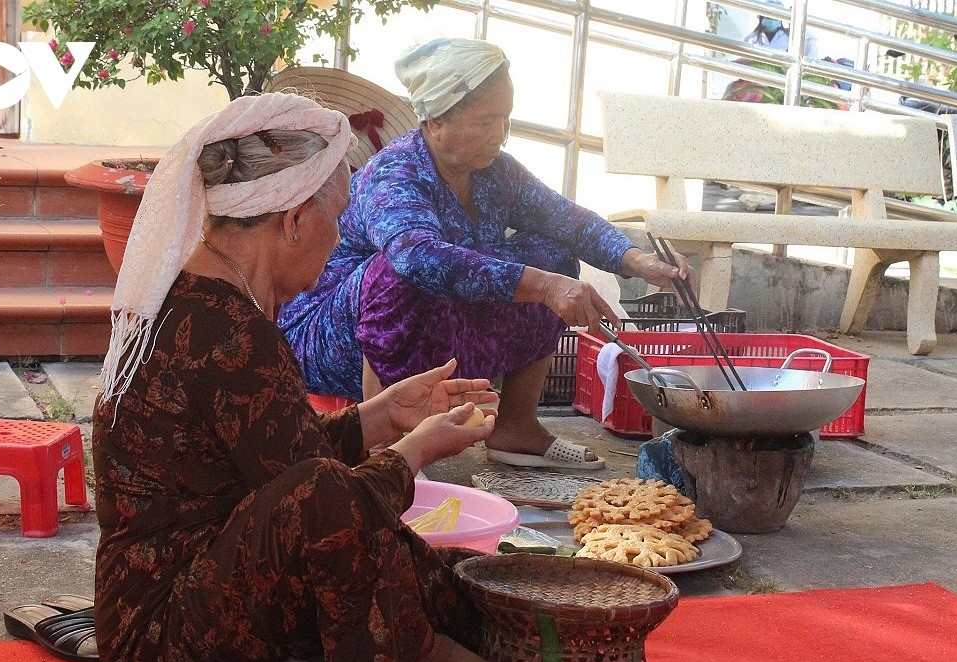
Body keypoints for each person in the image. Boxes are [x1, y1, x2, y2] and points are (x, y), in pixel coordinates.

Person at [91, 92, 510, 662]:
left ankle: (464, 644)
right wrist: (414, 451)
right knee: (351, 519)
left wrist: (382, 416)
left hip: (186, 590)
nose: (339, 241)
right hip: (163, 633)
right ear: (292, 222)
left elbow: (279, 459)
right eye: (335, 221)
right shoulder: (224, 329)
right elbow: (318, 497)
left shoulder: (205, 301)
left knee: (420, 564)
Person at [279, 38, 694, 470]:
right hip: (332, 336)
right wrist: (545, 287)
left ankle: (516, 426)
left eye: (506, 120)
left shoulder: (496, 172)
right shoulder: (395, 173)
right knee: (400, 272)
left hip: (438, 328)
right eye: (488, 121)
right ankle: (387, 449)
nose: (501, 135)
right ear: (436, 120)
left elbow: (566, 219)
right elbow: (418, 258)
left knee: (552, 254)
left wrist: (640, 262)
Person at [743, 0, 818, 59]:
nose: (772, 19)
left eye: (775, 16)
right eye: (769, 16)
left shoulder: (790, 38)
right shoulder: (751, 38)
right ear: (762, 16)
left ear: (781, 18)